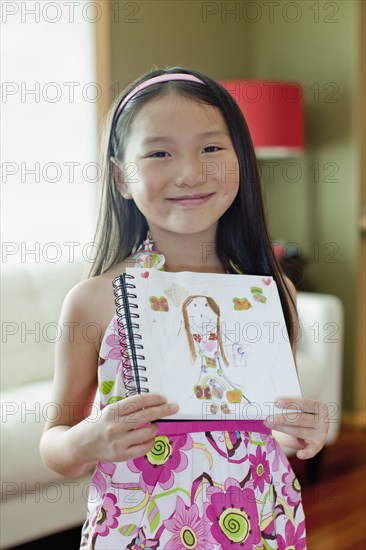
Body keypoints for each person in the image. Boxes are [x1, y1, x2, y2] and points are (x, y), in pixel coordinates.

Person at [39, 67, 329, 549]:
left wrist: (299, 432)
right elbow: (57, 444)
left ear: (241, 161)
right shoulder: (95, 301)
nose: (190, 172)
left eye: (212, 148)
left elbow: (269, 428)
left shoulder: (269, 294)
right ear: (121, 177)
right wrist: (88, 441)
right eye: (158, 152)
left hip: (257, 518)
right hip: (140, 529)